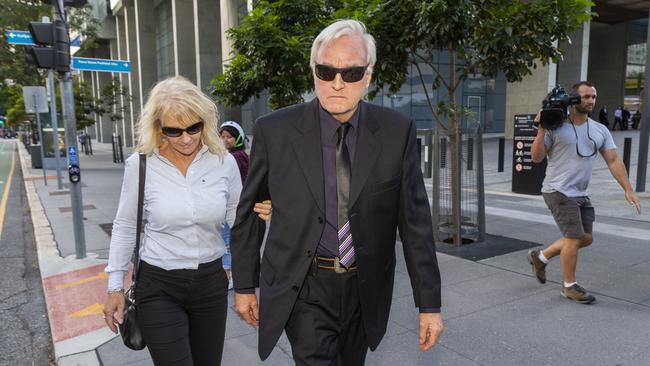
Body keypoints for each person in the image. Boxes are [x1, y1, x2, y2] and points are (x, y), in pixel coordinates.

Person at [231, 19, 443, 365]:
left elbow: (415, 223)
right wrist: (244, 284)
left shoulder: (395, 132)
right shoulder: (275, 131)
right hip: (304, 288)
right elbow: (249, 213)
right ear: (313, 72)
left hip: (366, 288)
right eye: (327, 72)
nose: (338, 84)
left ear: (369, 75)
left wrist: (429, 304)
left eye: (352, 73)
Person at [102, 76, 242, 365]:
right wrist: (115, 286)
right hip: (158, 285)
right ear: (158, 128)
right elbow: (126, 225)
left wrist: (263, 212)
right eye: (174, 131)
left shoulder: (223, 162)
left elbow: (238, 218)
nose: (187, 138)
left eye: (194, 127)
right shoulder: (140, 165)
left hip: (211, 283)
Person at [529, 81, 641, 305]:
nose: (591, 100)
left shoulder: (599, 130)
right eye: (586, 96)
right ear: (573, 99)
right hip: (557, 190)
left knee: (585, 238)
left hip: (580, 192)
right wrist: (541, 129)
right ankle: (569, 286)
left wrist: (628, 189)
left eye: (594, 97)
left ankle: (540, 257)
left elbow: (613, 160)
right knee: (573, 238)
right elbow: (536, 157)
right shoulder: (556, 126)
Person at [219, 120, 250, 290]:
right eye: (222, 136)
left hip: (232, 206)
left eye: (229, 137)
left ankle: (229, 276)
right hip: (232, 206)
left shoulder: (235, 157)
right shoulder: (236, 155)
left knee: (227, 242)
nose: (225, 140)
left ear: (238, 138)